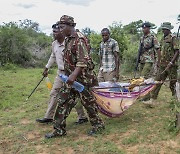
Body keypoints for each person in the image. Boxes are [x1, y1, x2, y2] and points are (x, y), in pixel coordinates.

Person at [45, 15, 104, 139]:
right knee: (63, 101)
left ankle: (98, 125)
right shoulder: (67, 39)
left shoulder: (79, 39)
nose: (60, 30)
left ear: (71, 26)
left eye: (62, 27)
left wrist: (72, 75)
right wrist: (67, 75)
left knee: (89, 104)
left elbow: (82, 61)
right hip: (71, 79)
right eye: (59, 27)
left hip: (83, 79)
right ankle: (59, 130)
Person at [36, 23, 88, 124]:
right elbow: (53, 56)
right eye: (53, 32)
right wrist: (47, 67)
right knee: (54, 93)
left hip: (71, 72)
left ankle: (82, 117)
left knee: (75, 95)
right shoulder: (54, 44)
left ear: (61, 31)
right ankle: (48, 116)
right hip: (60, 73)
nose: (54, 34)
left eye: (56, 32)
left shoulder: (69, 42)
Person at [144, 22, 179, 106]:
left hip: (172, 66)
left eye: (164, 29)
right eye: (162, 29)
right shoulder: (162, 39)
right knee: (157, 81)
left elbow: (177, 51)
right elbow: (160, 51)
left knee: (172, 84)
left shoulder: (173, 38)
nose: (163, 30)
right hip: (162, 65)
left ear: (168, 29)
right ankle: (152, 100)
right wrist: (158, 62)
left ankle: (175, 101)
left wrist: (171, 62)